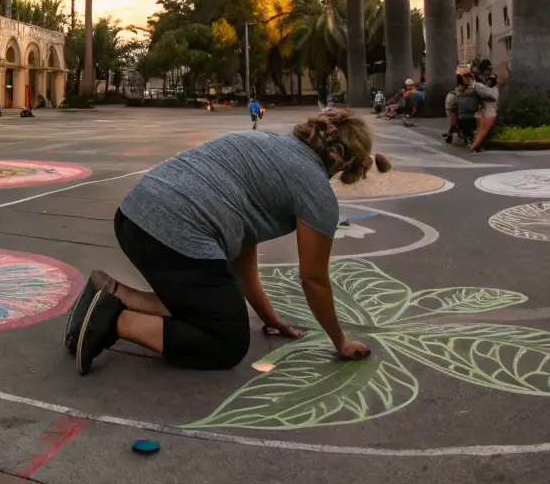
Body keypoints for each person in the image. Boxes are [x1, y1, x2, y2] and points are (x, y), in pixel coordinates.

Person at [64, 109, 388, 375]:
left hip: (134, 218)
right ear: (346, 161)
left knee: (204, 303)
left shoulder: (266, 142)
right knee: (226, 340)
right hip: (173, 234)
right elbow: (314, 279)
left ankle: (110, 293)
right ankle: (113, 320)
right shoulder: (316, 191)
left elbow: (243, 255)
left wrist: (268, 317)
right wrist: (340, 341)